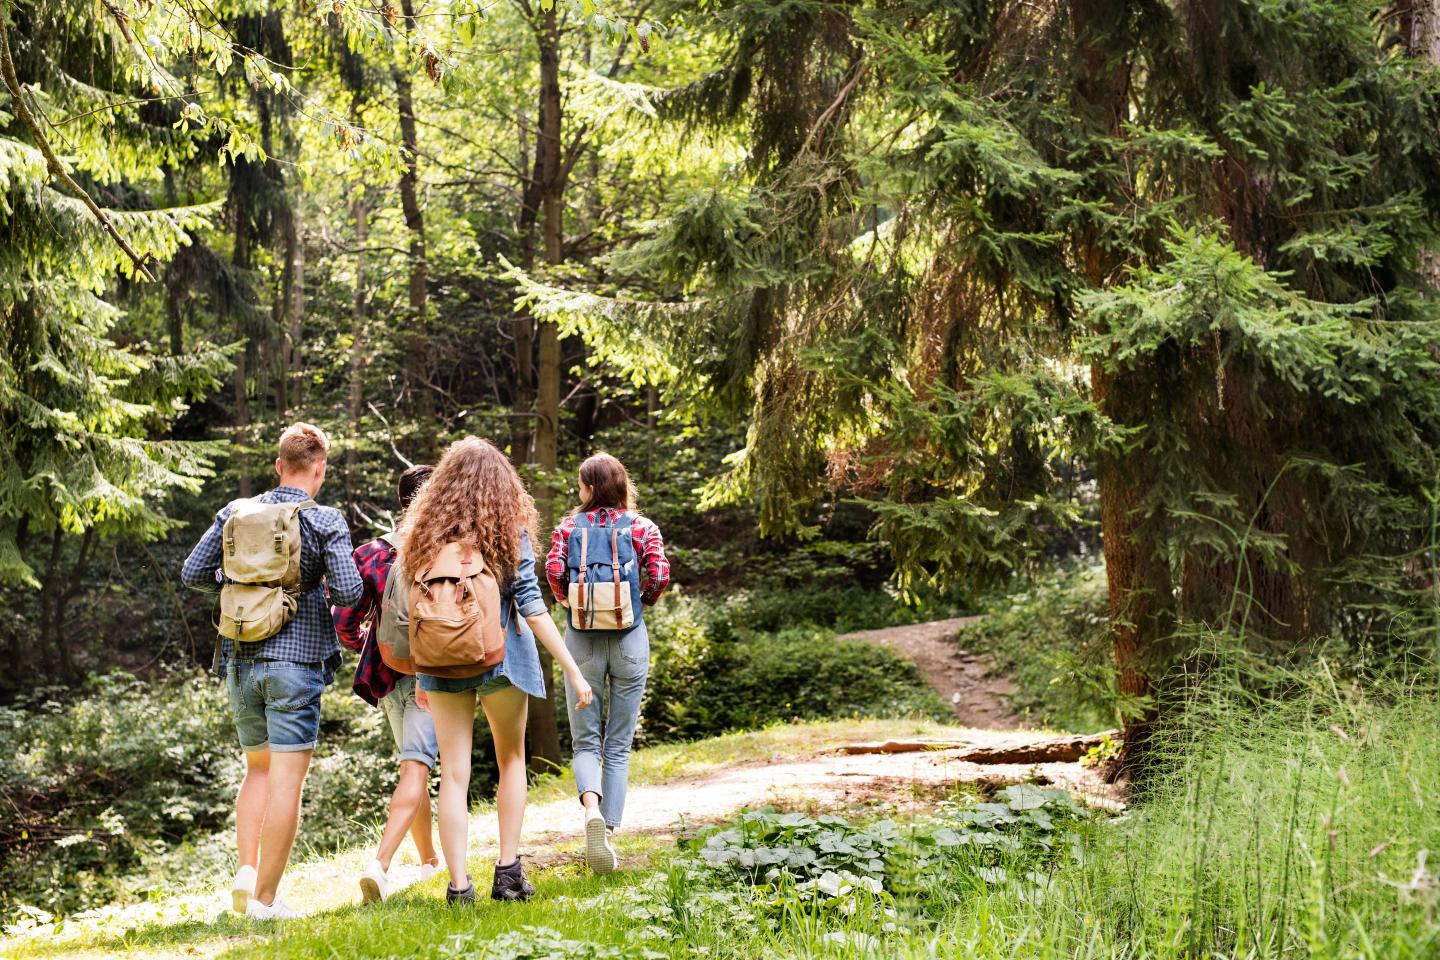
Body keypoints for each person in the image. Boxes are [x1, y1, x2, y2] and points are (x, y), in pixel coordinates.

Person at [398, 437, 594, 905]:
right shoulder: (508, 532)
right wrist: (572, 670)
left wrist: (423, 675)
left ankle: (459, 886)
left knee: (455, 774)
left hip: (443, 667)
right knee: (511, 760)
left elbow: (416, 611)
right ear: (502, 485)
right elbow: (530, 604)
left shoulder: (422, 536)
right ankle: (507, 875)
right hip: (504, 659)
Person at [181, 423, 363, 920]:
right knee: (287, 781)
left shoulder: (236, 513)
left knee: (256, 770)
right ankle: (265, 900)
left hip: (239, 659)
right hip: (296, 664)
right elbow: (349, 594)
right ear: (319, 469)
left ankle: (246, 871)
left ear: (279, 465)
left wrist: (239, 575)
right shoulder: (324, 519)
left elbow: (192, 573)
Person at [545, 452, 670, 875]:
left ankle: (591, 810)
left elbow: (553, 571)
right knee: (617, 742)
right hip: (630, 637)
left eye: (581, 484)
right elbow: (659, 573)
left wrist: (572, 606)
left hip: (581, 640)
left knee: (584, 741)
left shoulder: (567, 527)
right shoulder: (642, 527)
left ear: (591, 488)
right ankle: (609, 832)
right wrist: (639, 604)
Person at [332, 464, 440, 903]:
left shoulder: (372, 553)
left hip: (388, 672)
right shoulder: (442, 551)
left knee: (414, 765)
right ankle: (380, 865)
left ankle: (430, 860)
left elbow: (344, 621)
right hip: (433, 677)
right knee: (415, 768)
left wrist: (373, 643)